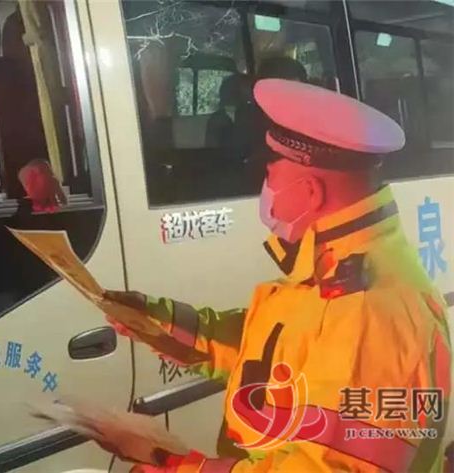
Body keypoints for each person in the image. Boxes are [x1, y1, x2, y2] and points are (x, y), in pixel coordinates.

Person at [103, 79, 451, 472]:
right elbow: (273, 358)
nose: (265, 188)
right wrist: (158, 323)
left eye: (270, 173)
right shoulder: (331, 265)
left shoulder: (373, 310)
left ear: (310, 193)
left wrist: (179, 467)